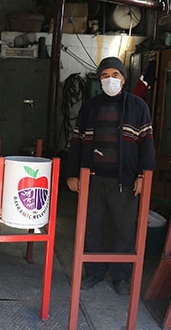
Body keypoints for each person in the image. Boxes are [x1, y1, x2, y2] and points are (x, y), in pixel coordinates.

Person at [66, 56, 155, 295]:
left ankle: (121, 276)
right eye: (105, 75)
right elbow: (76, 142)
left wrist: (142, 176)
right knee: (91, 227)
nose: (110, 80)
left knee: (124, 229)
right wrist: (72, 173)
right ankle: (93, 273)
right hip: (92, 179)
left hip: (124, 181)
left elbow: (146, 145)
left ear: (124, 79)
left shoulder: (138, 107)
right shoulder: (90, 106)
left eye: (115, 75)